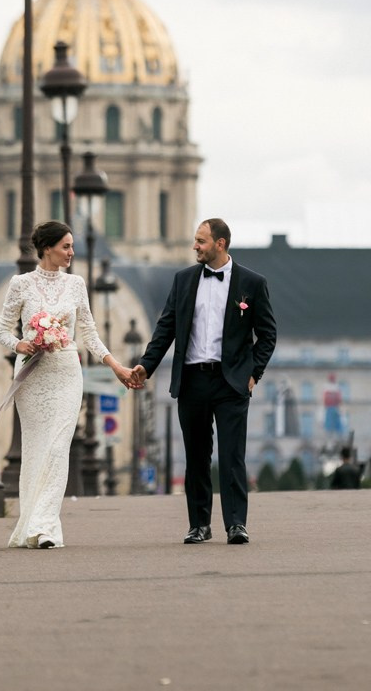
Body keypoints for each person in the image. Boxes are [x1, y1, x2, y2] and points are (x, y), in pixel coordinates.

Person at [130, 218, 277, 544]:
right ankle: (199, 525)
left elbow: (267, 335)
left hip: (231, 383)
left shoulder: (251, 283)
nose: (195, 246)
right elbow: (165, 328)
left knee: (231, 455)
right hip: (192, 380)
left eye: (201, 241)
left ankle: (236, 523)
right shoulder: (183, 280)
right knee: (196, 456)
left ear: (220, 244)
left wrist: (254, 373)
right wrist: (145, 366)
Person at [0, 221, 135, 549]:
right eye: (66, 247)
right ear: (47, 248)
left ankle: (45, 527)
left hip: (67, 372)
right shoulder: (21, 284)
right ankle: (30, 524)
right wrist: (20, 345)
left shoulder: (76, 284)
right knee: (36, 450)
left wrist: (115, 365)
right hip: (32, 375)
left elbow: (88, 332)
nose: (72, 253)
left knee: (58, 448)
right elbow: (2, 330)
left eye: (72, 246)